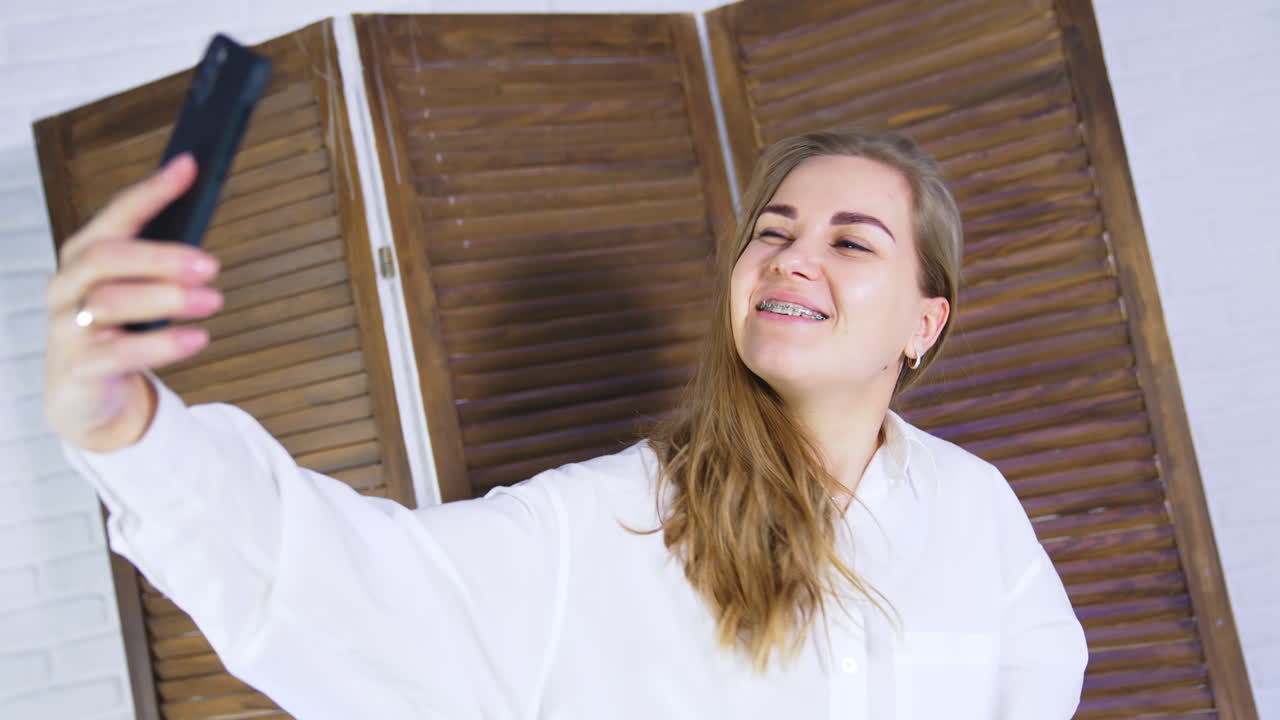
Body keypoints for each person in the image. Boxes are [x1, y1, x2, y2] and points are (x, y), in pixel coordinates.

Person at [45, 129, 1088, 719]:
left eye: (849, 243)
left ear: (922, 320)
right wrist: (126, 425)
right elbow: (342, 584)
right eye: (770, 232)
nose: (789, 257)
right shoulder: (608, 524)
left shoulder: (975, 509)